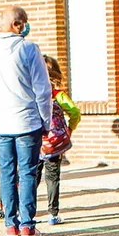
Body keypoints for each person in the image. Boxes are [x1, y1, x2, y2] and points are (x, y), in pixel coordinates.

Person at [0, 5, 54, 236]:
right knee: (27, 173)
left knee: (6, 173)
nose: (26, 27)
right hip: (27, 121)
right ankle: (27, 224)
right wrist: (45, 120)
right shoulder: (29, 49)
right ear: (17, 24)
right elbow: (42, 90)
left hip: (1, 123)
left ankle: (10, 224)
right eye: (24, 22)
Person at [38, 55, 81, 226]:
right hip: (55, 143)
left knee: (31, 176)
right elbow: (75, 112)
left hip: (37, 142)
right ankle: (53, 213)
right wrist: (70, 129)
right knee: (53, 177)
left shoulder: (34, 94)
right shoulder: (59, 95)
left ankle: (27, 211)